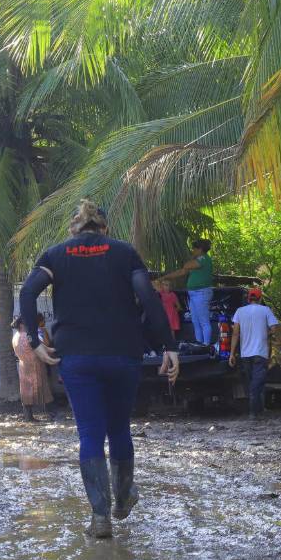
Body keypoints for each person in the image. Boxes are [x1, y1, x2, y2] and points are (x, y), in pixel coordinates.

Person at [19, 199, 179, 539]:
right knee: (119, 428)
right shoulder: (123, 252)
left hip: (77, 357)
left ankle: (100, 516)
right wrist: (169, 345)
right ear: (104, 229)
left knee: (90, 434)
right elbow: (147, 297)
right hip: (123, 353)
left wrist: (33, 340)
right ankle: (123, 498)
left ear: (73, 229)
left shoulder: (55, 255)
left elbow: (28, 292)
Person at [228, 288, 279, 419]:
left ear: (248, 298)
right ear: (260, 298)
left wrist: (232, 353)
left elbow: (235, 333)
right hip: (260, 352)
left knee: (252, 381)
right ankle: (253, 412)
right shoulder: (265, 310)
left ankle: (258, 410)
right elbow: (274, 329)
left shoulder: (239, 311)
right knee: (257, 382)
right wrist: (265, 333)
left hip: (245, 353)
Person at [162, 239, 214, 345]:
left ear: (200, 249)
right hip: (194, 294)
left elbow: (186, 266)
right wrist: (165, 277)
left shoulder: (203, 258)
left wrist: (191, 258)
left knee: (204, 322)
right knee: (196, 321)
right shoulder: (197, 261)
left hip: (201, 293)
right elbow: (182, 271)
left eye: (194, 249)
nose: (192, 251)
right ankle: (199, 345)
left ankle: (206, 346)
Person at [12, 316, 55, 422]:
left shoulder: (15, 336)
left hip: (24, 366)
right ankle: (52, 413)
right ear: (22, 325)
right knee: (44, 389)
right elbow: (43, 347)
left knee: (26, 391)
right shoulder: (29, 336)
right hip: (36, 365)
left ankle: (28, 416)